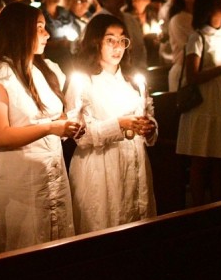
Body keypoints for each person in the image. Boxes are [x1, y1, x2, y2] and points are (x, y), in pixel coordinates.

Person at [0, 3, 82, 252]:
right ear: (19, 31)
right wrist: (50, 128)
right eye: (39, 28)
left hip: (53, 170)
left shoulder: (46, 70)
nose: (47, 34)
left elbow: (56, 115)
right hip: (20, 177)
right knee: (26, 244)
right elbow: (0, 135)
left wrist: (69, 124)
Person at [65, 14, 157, 233]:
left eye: (122, 40)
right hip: (100, 169)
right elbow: (80, 135)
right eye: (110, 40)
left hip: (135, 165)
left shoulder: (132, 81)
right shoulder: (83, 82)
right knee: (105, 226)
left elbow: (148, 113)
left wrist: (149, 128)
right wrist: (120, 124)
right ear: (95, 42)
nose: (118, 47)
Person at [177, 0, 221, 206]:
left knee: (220, 158)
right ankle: (198, 206)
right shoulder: (198, 37)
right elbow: (192, 76)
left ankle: (218, 205)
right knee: (201, 158)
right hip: (205, 100)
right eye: (220, 3)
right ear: (208, 9)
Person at [91, 0, 147, 71]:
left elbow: (140, 48)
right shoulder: (97, 22)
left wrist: (142, 67)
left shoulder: (130, 19)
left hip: (136, 71)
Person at [167, 0, 203, 91]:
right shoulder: (179, 19)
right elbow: (191, 47)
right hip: (184, 72)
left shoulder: (202, 17)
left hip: (202, 71)